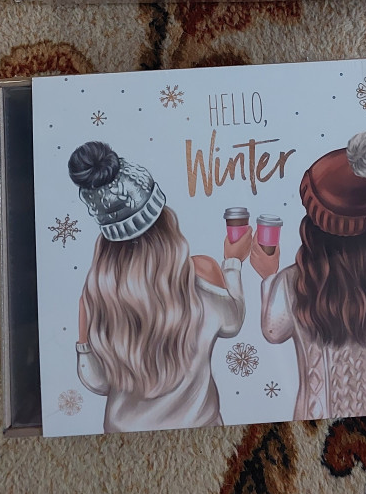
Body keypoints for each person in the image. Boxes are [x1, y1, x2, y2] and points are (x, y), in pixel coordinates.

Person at [68, 141, 250, 433]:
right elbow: (232, 323)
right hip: (201, 430)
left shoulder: (96, 298)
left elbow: (98, 382)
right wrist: (233, 263)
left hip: (122, 436)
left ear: (107, 243)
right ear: (165, 221)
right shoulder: (201, 273)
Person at [250, 131, 366, 418]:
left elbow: (273, 332)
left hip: (317, 422)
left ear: (311, 223)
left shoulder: (293, 282)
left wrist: (268, 276)